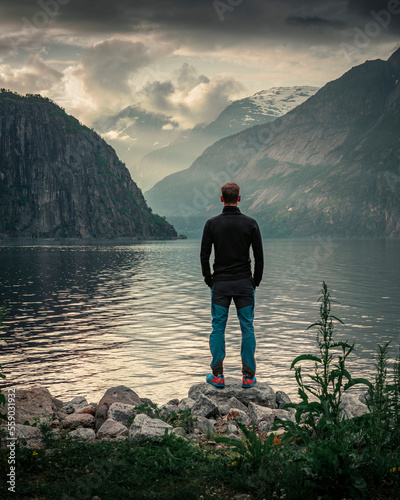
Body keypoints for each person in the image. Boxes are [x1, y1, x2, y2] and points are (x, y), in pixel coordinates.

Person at [200, 182, 264, 389]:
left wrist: (209, 279)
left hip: (221, 284)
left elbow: (204, 256)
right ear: (239, 198)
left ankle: (217, 376)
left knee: (218, 327)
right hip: (245, 284)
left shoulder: (212, 224)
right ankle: (248, 377)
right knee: (247, 327)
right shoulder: (251, 223)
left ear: (221, 199)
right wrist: (255, 281)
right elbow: (259, 257)